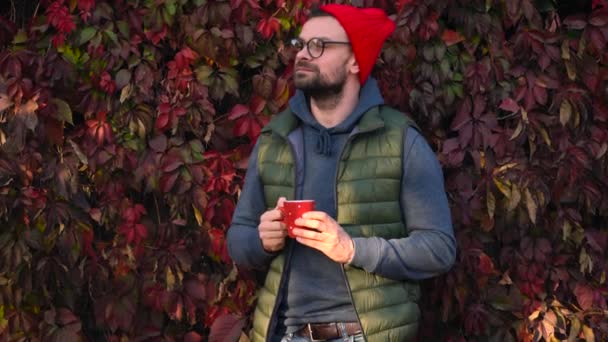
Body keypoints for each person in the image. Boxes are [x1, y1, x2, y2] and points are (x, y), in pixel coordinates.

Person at [227, 4, 456, 342]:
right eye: (300, 45)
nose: (303, 54)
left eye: (319, 45)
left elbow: (438, 249)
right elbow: (237, 240)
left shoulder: (399, 140)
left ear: (354, 61)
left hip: (362, 334)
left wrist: (352, 249)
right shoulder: (276, 139)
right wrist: (261, 240)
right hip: (283, 333)